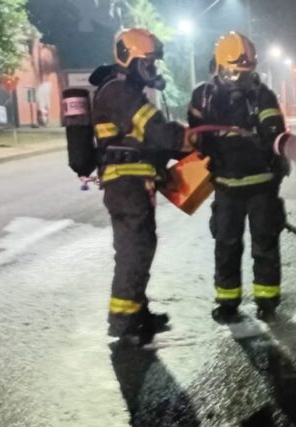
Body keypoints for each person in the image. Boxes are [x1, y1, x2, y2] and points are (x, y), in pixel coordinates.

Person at [88, 28, 189, 344]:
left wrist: (182, 145)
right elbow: (155, 131)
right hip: (126, 186)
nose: (153, 69)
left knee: (139, 248)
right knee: (134, 251)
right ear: (127, 58)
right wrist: (189, 138)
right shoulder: (118, 92)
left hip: (132, 185)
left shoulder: (126, 90)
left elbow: (153, 141)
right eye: (148, 62)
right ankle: (122, 321)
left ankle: (137, 313)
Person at [188, 32, 289, 323]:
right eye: (235, 72)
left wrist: (278, 145)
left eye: (247, 72)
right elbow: (193, 136)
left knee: (265, 245)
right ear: (220, 66)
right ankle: (227, 302)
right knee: (226, 245)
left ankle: (267, 302)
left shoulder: (263, 96)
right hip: (225, 186)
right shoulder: (203, 97)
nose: (241, 79)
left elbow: (274, 131)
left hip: (261, 186)